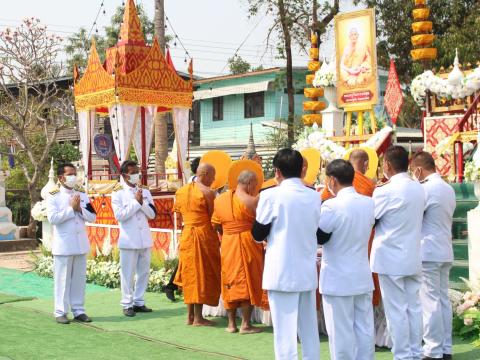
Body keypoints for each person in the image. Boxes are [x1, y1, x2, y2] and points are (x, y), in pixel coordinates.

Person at [252, 148, 321, 360]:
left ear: (277, 172)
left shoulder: (270, 195)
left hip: (281, 270)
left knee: (284, 331)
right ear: (302, 170)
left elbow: (258, 233)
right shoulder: (314, 196)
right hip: (306, 269)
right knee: (308, 327)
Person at [371, 145, 425, 360]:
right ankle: (415, 351)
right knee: (414, 306)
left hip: (390, 256)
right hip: (412, 254)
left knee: (396, 310)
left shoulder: (385, 190)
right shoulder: (418, 187)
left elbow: (371, 220)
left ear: (387, 165)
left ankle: (403, 354)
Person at [318, 159, 375, 360]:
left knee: (340, 332)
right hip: (360, 274)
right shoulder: (369, 203)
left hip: (337, 277)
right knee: (364, 329)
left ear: (332, 180)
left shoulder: (331, 206)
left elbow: (320, 236)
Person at [411, 151, 455, 360]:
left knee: (430, 303)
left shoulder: (425, 189)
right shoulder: (448, 188)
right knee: (442, 300)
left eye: (414, 172)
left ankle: (432, 350)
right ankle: (445, 348)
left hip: (428, 250)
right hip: (444, 249)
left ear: (418, 170)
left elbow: (415, 217)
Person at [212, 170, 264, 334]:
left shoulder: (220, 200)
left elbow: (215, 224)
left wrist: (229, 233)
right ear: (249, 183)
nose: (255, 188)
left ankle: (231, 324)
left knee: (229, 280)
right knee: (248, 280)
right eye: (255, 185)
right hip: (248, 243)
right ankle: (246, 324)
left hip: (228, 242)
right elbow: (262, 224)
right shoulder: (253, 201)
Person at [46, 163, 96, 324]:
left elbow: (92, 216)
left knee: (79, 280)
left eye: (74, 173)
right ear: (61, 177)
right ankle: (60, 311)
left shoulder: (81, 193)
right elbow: (53, 219)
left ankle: (79, 310)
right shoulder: (53, 195)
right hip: (64, 245)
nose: (73, 176)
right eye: (70, 174)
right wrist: (71, 209)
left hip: (80, 243)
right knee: (62, 280)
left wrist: (80, 209)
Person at [173, 163, 221, 326]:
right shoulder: (207, 192)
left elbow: (179, 217)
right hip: (202, 235)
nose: (213, 180)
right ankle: (198, 318)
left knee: (189, 274)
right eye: (212, 177)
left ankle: (189, 316)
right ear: (205, 174)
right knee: (200, 274)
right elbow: (213, 219)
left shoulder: (181, 191)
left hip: (187, 234)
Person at [112, 160, 157, 317]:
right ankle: (127, 303)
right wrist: (135, 203)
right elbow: (120, 215)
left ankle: (139, 301)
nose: (136, 175)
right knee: (127, 273)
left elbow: (152, 214)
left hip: (144, 238)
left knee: (143, 272)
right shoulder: (117, 192)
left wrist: (141, 203)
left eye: (137, 172)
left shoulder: (144, 191)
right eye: (132, 173)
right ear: (124, 175)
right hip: (129, 239)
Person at [165, 156, 201, 302]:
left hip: (203, 228)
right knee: (187, 261)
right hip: (192, 228)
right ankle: (173, 285)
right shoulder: (189, 187)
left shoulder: (207, 186)